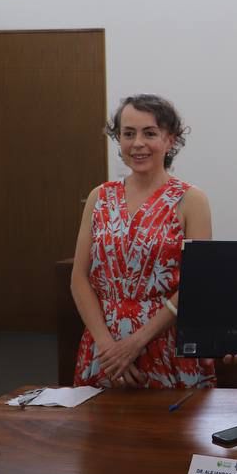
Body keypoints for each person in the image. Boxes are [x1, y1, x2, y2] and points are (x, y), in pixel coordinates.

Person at [71, 94, 214, 388]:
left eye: (149, 133)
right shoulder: (99, 197)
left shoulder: (191, 200)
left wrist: (135, 343)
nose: (137, 143)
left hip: (165, 342)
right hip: (104, 348)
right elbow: (79, 278)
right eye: (128, 134)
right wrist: (108, 348)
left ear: (170, 139)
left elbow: (197, 283)